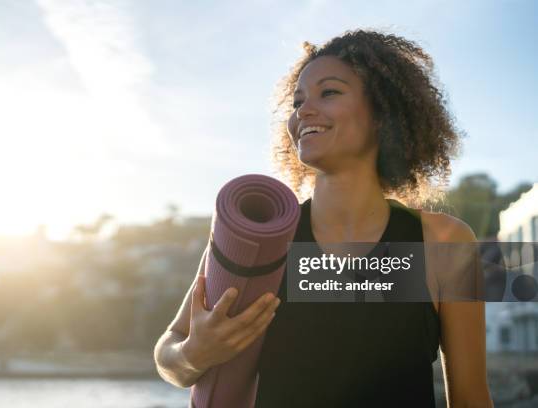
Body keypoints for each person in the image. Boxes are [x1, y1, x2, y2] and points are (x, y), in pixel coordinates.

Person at [154, 29, 493, 407]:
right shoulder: (262, 237)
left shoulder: (446, 244)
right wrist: (193, 354)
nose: (304, 110)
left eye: (329, 92)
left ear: (384, 112)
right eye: (298, 101)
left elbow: (470, 398)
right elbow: (169, 351)